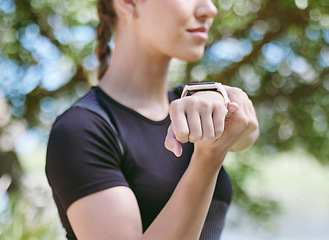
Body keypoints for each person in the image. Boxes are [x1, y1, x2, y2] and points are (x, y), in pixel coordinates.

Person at [46, 0, 259, 239]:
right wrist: (209, 157)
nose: (209, 9)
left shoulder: (190, 103)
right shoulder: (81, 131)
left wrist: (232, 104)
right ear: (128, 3)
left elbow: (248, 133)